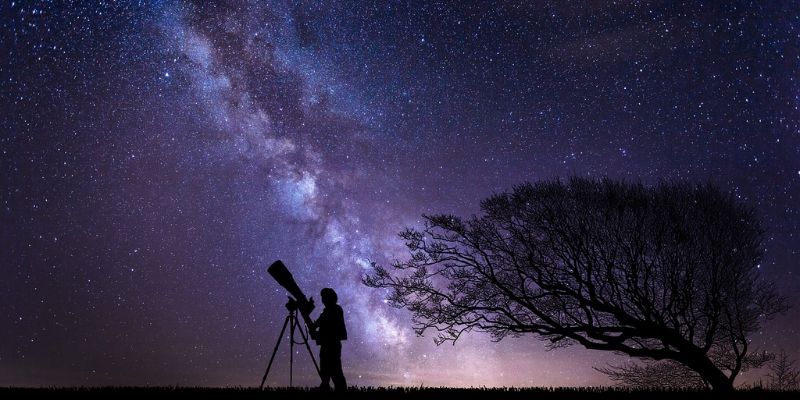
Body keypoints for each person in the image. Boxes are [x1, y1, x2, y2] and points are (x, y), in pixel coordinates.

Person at [311, 287, 347, 391]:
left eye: (324, 297)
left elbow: (330, 329)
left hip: (332, 345)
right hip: (326, 345)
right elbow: (319, 326)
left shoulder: (335, 310)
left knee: (336, 372)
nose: (323, 300)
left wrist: (317, 334)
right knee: (325, 370)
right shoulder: (327, 311)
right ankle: (325, 386)